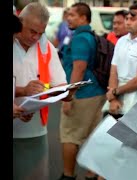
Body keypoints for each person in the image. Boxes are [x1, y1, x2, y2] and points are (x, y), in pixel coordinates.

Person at [13, 2, 68, 180]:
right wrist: (22, 91)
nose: (36, 37)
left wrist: (65, 92)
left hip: (35, 130)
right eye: (32, 31)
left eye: (41, 33)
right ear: (20, 21)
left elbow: (57, 83)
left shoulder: (46, 48)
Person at [58, 3, 106, 180]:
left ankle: (68, 175)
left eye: (72, 15)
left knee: (69, 135)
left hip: (82, 94)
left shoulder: (79, 38)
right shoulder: (90, 35)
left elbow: (79, 68)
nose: (68, 18)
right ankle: (91, 174)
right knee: (91, 135)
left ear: (84, 18)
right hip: (95, 91)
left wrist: (69, 97)